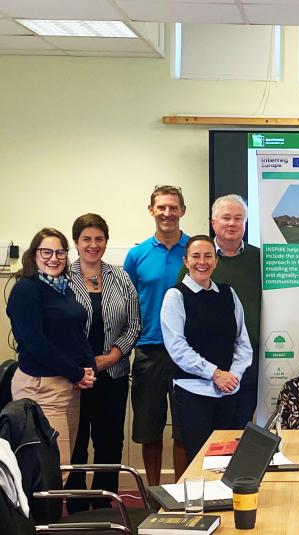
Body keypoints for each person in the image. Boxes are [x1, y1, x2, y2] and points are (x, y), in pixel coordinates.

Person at [63, 214, 141, 512]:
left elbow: (134, 323)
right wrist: (81, 365)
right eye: (87, 239)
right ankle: (78, 506)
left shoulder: (120, 277)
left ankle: (105, 503)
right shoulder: (62, 278)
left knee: (109, 442)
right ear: (76, 243)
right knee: (76, 443)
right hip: (74, 377)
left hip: (113, 374)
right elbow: (56, 326)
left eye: (99, 239)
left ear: (106, 242)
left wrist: (111, 357)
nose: (93, 245)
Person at [6, 228, 96, 471]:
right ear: (34, 255)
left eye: (60, 252)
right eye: (46, 252)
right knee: (53, 468)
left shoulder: (62, 288)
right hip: (41, 387)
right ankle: (38, 512)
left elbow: (78, 331)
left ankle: (52, 511)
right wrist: (77, 372)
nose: (54, 258)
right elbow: (36, 344)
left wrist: (88, 368)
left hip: (69, 385)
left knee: (61, 467)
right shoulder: (26, 289)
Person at [161, 235, 253, 462]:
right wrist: (215, 374)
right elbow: (177, 348)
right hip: (193, 391)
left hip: (227, 390)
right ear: (186, 261)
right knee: (200, 460)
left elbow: (243, 342)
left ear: (215, 261)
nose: (202, 262)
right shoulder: (175, 296)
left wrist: (233, 376)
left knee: (228, 461)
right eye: (195, 256)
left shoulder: (228, 294)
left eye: (208, 256)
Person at [123, 185, 189, 485]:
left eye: (173, 207)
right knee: (149, 429)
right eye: (161, 207)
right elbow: (127, 302)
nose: (167, 213)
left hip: (188, 354)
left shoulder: (195, 250)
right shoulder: (136, 256)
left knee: (184, 429)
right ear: (151, 210)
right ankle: (153, 493)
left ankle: (180, 494)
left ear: (182, 211)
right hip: (149, 350)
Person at [178, 194, 261, 428]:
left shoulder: (260, 259)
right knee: (199, 442)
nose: (232, 223)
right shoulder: (198, 262)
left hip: (245, 366)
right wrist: (214, 372)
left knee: (236, 433)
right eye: (226, 218)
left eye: (238, 218)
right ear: (213, 223)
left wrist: (235, 371)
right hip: (201, 371)